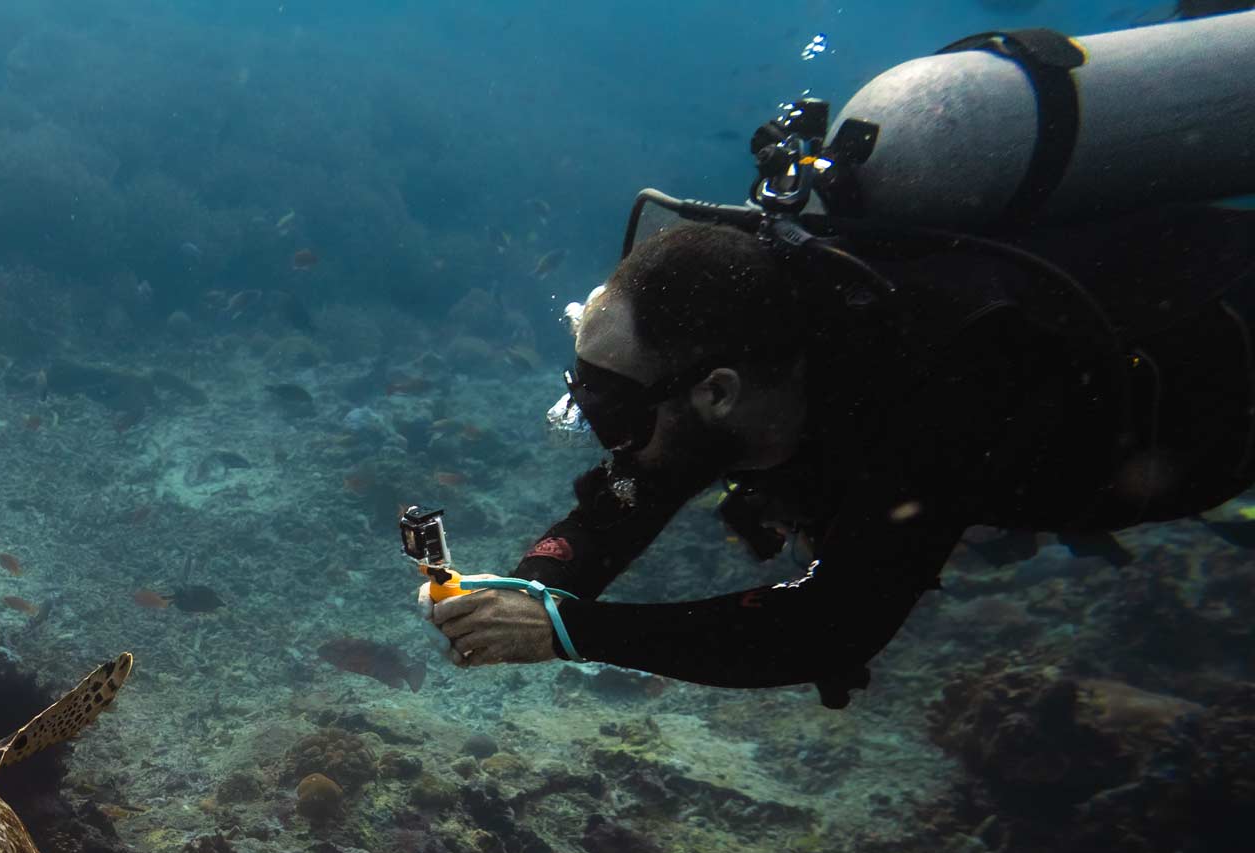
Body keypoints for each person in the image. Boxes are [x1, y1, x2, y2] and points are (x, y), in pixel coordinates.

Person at [426, 205, 1255, 707]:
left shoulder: (937, 387)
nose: (609, 439)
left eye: (617, 409)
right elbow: (636, 487)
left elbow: (828, 629)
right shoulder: (750, 342)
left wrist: (569, 631)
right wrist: (534, 584)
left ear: (717, 391)